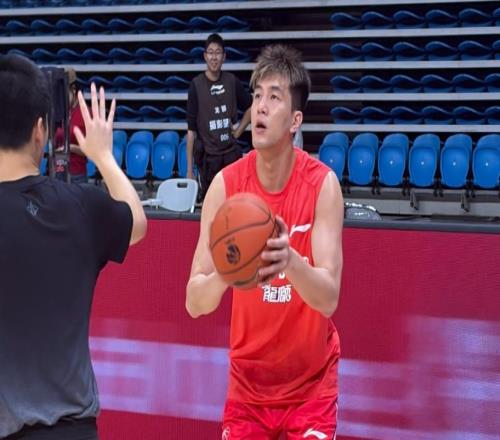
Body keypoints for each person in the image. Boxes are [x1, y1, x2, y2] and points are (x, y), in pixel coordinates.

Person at [186, 45, 344, 439]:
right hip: (248, 392)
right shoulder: (226, 186)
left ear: (295, 120)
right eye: (257, 95)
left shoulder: (322, 185)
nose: (260, 106)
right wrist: (229, 271)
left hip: (311, 389)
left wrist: (290, 261)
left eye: (274, 97)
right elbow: (194, 302)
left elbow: (328, 298)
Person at [0, 55, 147, 439]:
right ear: (40, 130)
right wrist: (104, 156)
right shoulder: (80, 206)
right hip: (72, 430)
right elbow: (137, 222)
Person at [186, 33, 252, 200]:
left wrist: (238, 131)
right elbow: (191, 131)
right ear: (205, 56)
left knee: (234, 203)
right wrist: (189, 170)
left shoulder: (232, 81)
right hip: (208, 159)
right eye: (210, 52)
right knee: (211, 205)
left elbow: (252, 107)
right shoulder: (196, 85)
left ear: (224, 56)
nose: (214, 57)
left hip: (231, 155)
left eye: (218, 52)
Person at [53, 68, 88, 183]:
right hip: (59, 171)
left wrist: (70, 148)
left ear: (73, 90)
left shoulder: (85, 113)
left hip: (77, 174)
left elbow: (90, 150)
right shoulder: (59, 113)